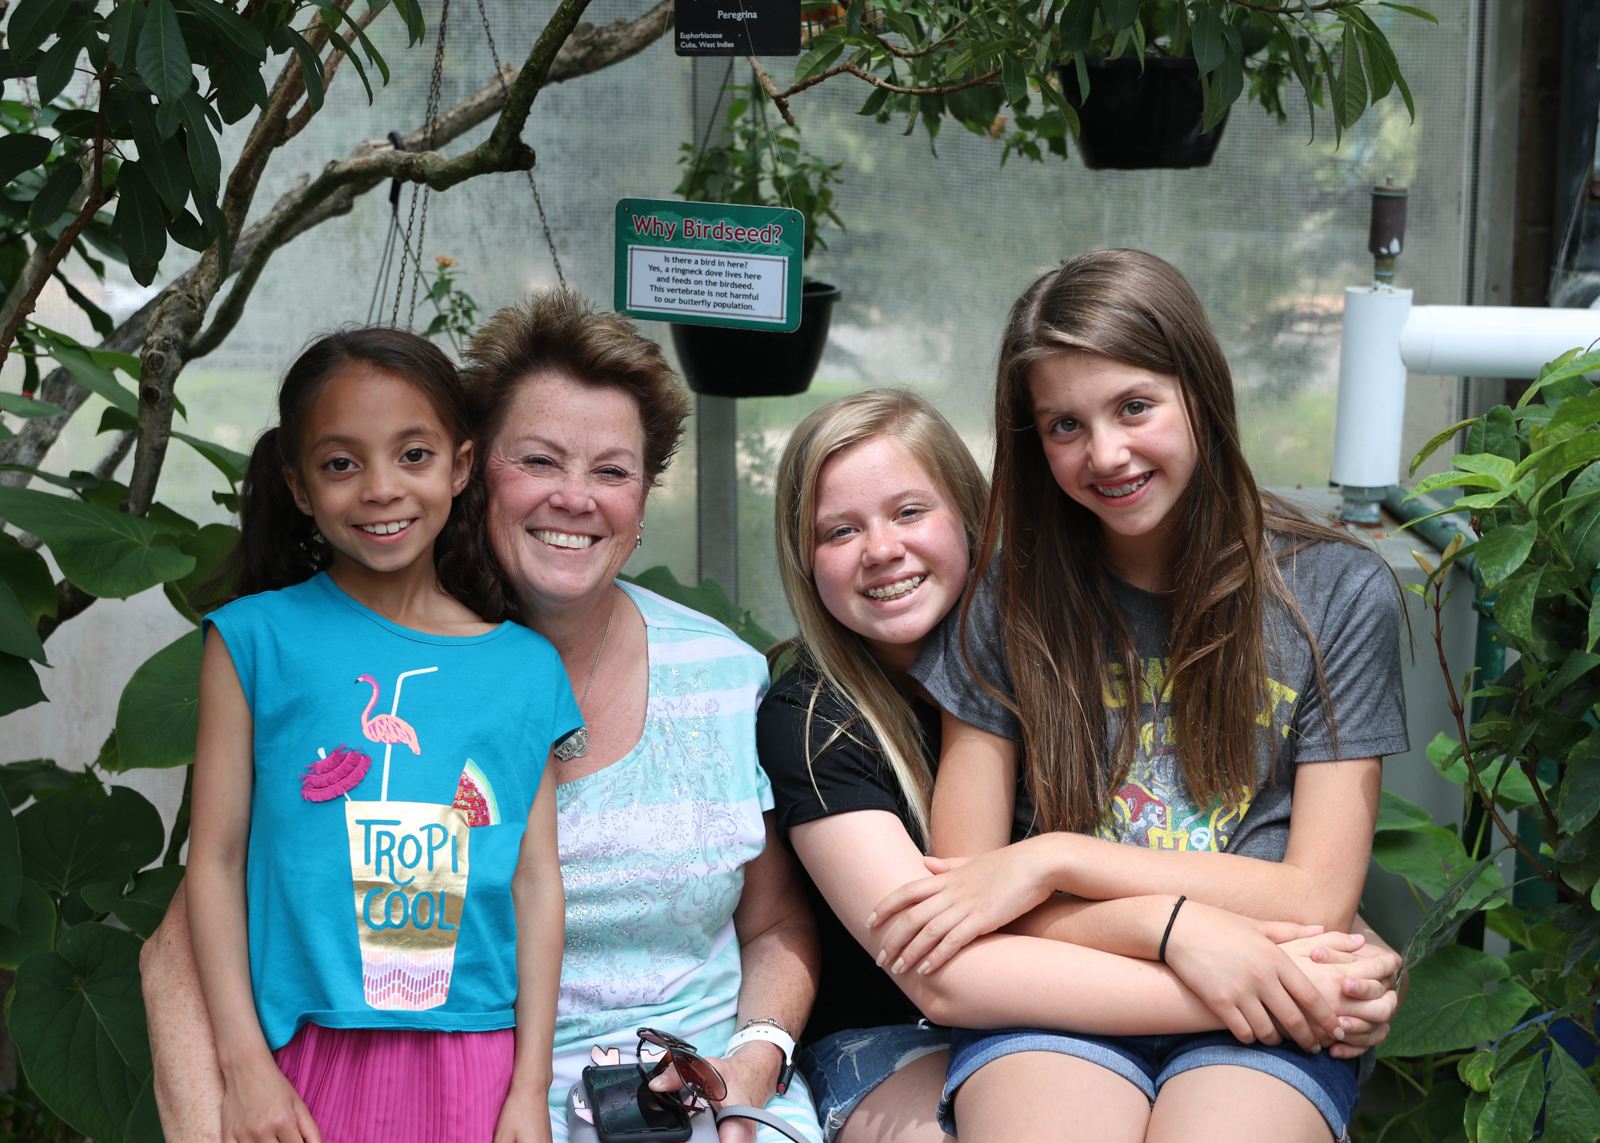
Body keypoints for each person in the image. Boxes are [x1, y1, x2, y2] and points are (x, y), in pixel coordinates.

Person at [140, 292, 825, 1143]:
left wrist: (749, 1067)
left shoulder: (718, 673)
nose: (574, 497)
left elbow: (776, 921)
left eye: (612, 471)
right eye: (539, 459)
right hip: (463, 1090)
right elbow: (198, 923)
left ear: (645, 498)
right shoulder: (330, 654)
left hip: (704, 1102)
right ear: (478, 471)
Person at [757, 388, 1402, 1143]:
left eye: (908, 512)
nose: (880, 549)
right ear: (805, 559)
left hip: (1083, 979)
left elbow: (1236, 848)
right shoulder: (816, 723)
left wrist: (1333, 930)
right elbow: (943, 968)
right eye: (840, 530)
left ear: (973, 520)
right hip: (914, 1019)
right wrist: (1256, 971)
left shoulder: (1040, 638)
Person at [184, 328, 570, 1143]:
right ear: (298, 486)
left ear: (460, 467)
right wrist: (244, 1065)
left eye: (413, 454)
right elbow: (214, 862)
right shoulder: (252, 642)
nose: (381, 488)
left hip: (477, 1056)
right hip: (302, 1057)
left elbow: (537, 882)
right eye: (341, 463)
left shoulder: (527, 668)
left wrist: (528, 1087)